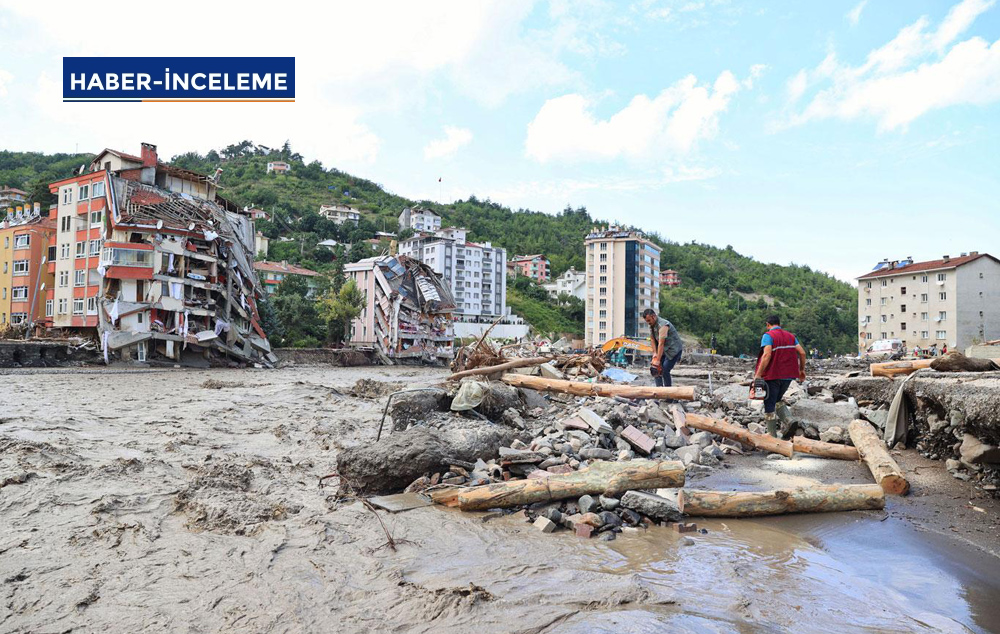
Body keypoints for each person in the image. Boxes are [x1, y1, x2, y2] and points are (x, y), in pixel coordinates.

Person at [753, 315, 807, 438]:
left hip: (772, 375)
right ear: (779, 323)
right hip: (788, 376)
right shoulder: (791, 336)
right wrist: (802, 370)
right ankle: (789, 419)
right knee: (777, 399)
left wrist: (758, 374)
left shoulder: (768, 336)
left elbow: (766, 355)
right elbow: (802, 353)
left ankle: (772, 437)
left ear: (768, 325)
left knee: (769, 405)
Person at [643, 308, 683, 388]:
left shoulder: (663, 325)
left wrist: (658, 360)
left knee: (664, 370)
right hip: (664, 350)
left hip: (673, 350)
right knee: (655, 369)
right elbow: (652, 339)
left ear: (653, 316)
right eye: (647, 321)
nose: (648, 323)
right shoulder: (651, 325)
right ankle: (659, 392)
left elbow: (661, 343)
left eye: (649, 320)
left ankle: (668, 395)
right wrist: (655, 353)